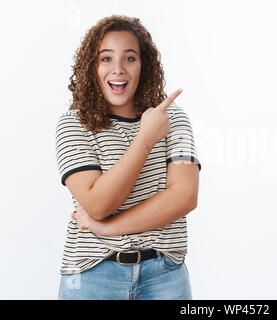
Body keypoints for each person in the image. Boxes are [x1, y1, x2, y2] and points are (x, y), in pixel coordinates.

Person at [55, 15, 201, 300]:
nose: (118, 69)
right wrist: (145, 139)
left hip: (165, 276)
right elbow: (98, 204)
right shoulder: (74, 124)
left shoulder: (174, 119)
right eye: (106, 59)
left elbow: (184, 197)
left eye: (130, 58)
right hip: (94, 276)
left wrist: (106, 228)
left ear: (143, 65)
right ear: (91, 67)